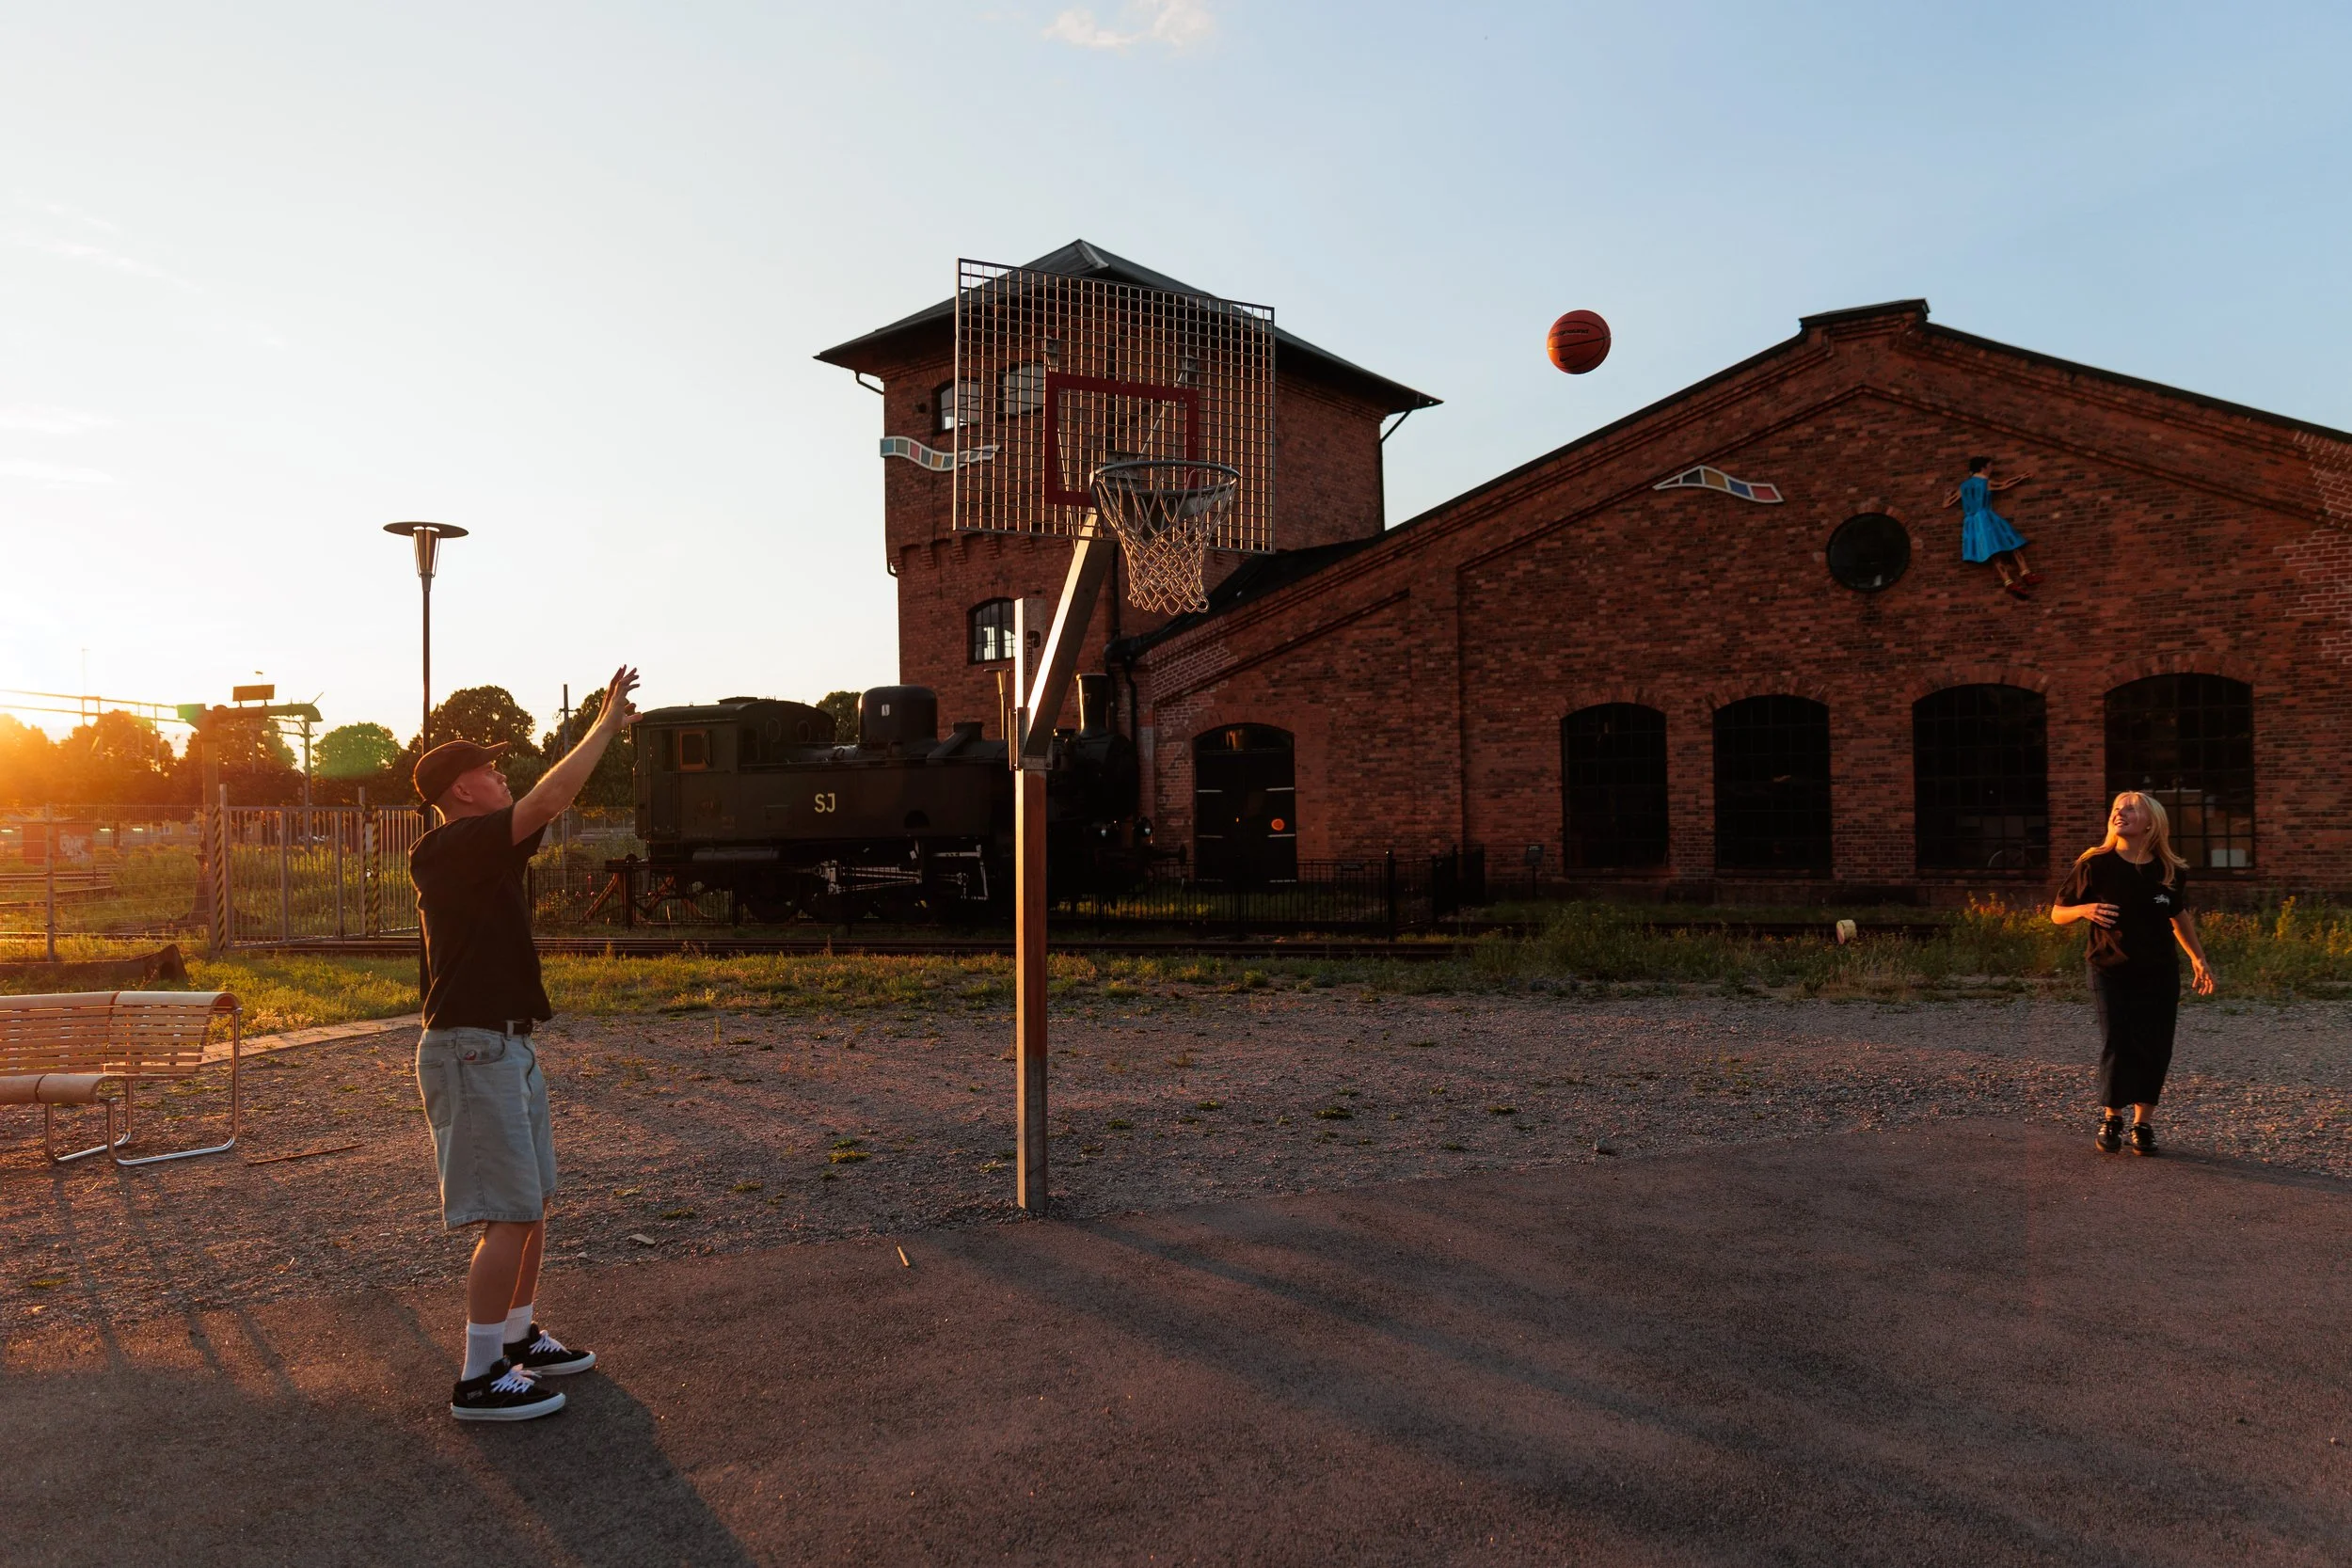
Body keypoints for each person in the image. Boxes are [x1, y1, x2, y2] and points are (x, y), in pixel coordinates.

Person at [410, 666, 639, 1421]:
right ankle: (479, 1376)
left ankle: (514, 1336)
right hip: (470, 1048)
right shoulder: (448, 849)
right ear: (461, 789)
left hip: (505, 1044)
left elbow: (540, 803)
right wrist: (603, 726)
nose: (500, 770)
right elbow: (551, 796)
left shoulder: (485, 849)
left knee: (530, 1202)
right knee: (505, 1212)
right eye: (488, 764)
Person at [2050, 791, 2216, 1156]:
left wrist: (2198, 958)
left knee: (2155, 1044)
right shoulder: (2095, 864)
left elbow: (2178, 917)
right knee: (2119, 1041)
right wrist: (2084, 909)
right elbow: (2057, 913)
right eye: (2115, 809)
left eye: (2130, 809)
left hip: (2159, 971)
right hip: (2109, 968)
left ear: (2150, 822)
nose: (2119, 814)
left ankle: (2143, 1124)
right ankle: (2112, 1117)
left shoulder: (2169, 870)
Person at [1941, 455, 2040, 599]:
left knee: (1992, 552)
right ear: (1983, 468)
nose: (1991, 469)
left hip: (1971, 523)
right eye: (1990, 466)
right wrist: (2023, 476)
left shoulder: (1964, 486)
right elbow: (2004, 484)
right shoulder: (1984, 482)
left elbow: (1946, 503)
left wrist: (1947, 495)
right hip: (1985, 518)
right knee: (2012, 542)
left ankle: (2008, 581)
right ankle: (2025, 573)